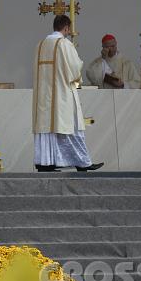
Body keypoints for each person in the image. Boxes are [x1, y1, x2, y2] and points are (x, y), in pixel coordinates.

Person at [32, 15, 103, 172]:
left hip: (43, 98)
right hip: (61, 95)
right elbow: (75, 69)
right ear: (66, 28)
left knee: (47, 130)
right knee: (71, 127)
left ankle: (45, 163)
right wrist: (78, 76)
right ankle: (82, 162)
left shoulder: (40, 45)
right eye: (69, 29)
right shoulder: (64, 44)